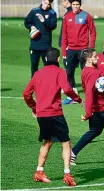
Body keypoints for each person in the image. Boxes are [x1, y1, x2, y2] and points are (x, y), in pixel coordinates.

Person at [23, 48, 82, 186]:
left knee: (47, 142)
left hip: (42, 114)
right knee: (66, 143)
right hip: (55, 114)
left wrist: (34, 107)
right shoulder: (60, 72)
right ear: (58, 59)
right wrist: (78, 99)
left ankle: (39, 171)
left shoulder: (38, 74)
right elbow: (67, 89)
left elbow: (26, 94)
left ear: (45, 59)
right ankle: (67, 174)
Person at [61, 0, 96, 104]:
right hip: (71, 49)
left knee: (86, 72)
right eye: (73, 5)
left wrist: (90, 48)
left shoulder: (86, 16)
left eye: (77, 5)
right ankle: (73, 93)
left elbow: (93, 32)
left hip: (83, 49)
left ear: (80, 5)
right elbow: (64, 35)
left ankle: (89, 94)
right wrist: (63, 51)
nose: (75, 7)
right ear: (70, 5)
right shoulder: (67, 16)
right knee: (68, 72)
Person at [24, 0, 57, 78]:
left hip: (46, 45)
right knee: (34, 66)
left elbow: (53, 26)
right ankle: (34, 85)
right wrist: (31, 26)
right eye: (45, 3)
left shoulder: (52, 13)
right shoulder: (34, 11)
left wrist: (44, 21)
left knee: (48, 67)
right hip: (34, 45)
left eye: (48, 4)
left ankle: (47, 85)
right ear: (42, 1)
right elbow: (27, 22)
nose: (46, 6)